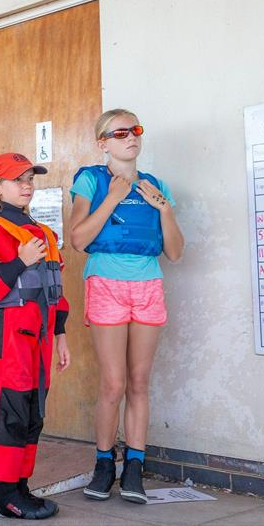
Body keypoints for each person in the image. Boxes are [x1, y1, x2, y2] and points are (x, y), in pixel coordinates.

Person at [71, 110, 184, 504]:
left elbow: (174, 251)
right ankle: (105, 463)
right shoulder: (91, 179)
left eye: (135, 129)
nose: (131, 137)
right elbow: (78, 240)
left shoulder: (156, 185)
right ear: (103, 143)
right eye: (120, 132)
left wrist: (164, 209)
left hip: (148, 284)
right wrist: (114, 197)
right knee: (113, 383)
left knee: (139, 382)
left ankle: (135, 466)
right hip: (106, 282)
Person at [0, 153, 72, 520]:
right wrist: (19, 261)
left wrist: (60, 335)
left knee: (33, 413)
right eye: (16, 180)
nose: (26, 185)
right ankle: (5, 495)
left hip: (41, 337)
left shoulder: (42, 232)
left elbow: (55, 289)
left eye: (29, 178)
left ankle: (21, 485)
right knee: (9, 412)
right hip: (10, 333)